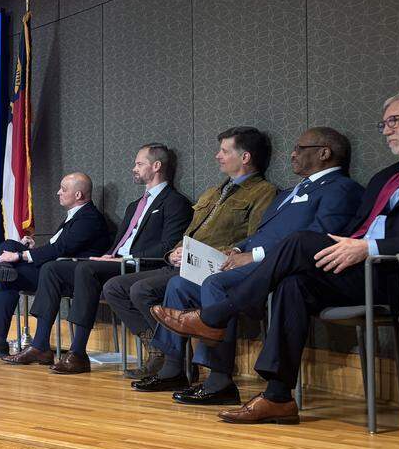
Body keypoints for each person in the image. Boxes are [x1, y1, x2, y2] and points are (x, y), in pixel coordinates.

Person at [154, 90, 399, 424]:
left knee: (298, 242)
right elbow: (354, 230)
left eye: (394, 121)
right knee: (293, 284)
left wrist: (368, 248)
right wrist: (352, 246)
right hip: (356, 269)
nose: (386, 130)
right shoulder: (384, 177)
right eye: (383, 123)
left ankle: (215, 317)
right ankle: (278, 396)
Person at [139, 127, 363, 403]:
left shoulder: (342, 189)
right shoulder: (289, 193)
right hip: (247, 261)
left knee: (215, 284)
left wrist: (255, 255)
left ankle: (219, 380)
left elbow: (317, 238)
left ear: (324, 153)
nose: (292, 154)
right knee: (179, 283)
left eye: (299, 148)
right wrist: (237, 250)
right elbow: (259, 234)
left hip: (284, 271)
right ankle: (173, 368)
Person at [100, 127, 278, 379]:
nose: (217, 156)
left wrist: (215, 254)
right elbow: (189, 232)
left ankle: (173, 363)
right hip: (183, 264)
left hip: (217, 267)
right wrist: (174, 252)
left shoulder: (264, 192)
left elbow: (253, 239)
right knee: (116, 287)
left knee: (144, 289)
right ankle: (162, 350)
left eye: (224, 151)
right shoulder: (214, 192)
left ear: (245, 157)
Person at [22, 144, 193, 373]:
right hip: (117, 262)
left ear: (157, 166)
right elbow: (121, 241)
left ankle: (78, 352)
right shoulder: (135, 206)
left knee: (86, 270)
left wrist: (126, 258)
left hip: (140, 266)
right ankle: (40, 344)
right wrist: (109, 255)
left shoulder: (175, 202)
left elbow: (167, 247)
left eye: (139, 164)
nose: (134, 168)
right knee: (53, 269)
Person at [0, 173, 111, 359]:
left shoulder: (89, 218)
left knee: (9, 273)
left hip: (65, 276)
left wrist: (20, 255)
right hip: (52, 268)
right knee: (8, 245)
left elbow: (60, 249)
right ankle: (2, 271)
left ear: (78, 195)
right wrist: (31, 249)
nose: (58, 192)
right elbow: (57, 248)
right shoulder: (76, 216)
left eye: (63, 189)